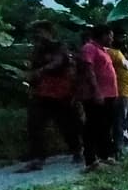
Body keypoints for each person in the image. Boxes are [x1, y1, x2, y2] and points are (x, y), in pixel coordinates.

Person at [18, 21, 81, 172]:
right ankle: (38, 157)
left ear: (48, 32)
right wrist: (32, 85)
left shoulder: (60, 47)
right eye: (36, 33)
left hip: (61, 94)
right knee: (35, 124)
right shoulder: (37, 51)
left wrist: (41, 71)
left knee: (67, 126)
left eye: (40, 32)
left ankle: (77, 151)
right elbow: (32, 71)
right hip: (42, 93)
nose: (37, 35)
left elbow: (59, 62)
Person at [77, 26, 117, 170]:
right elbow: (89, 71)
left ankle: (104, 156)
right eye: (110, 36)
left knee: (105, 127)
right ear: (103, 35)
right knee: (93, 127)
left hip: (109, 95)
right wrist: (97, 91)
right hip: (96, 95)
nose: (112, 39)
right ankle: (90, 159)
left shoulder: (103, 50)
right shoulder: (89, 48)